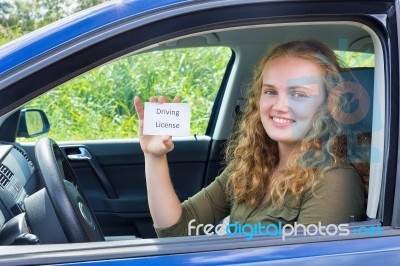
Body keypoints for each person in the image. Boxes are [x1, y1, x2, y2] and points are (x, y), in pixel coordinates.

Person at [134, 40, 367, 238]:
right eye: (271, 91)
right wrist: (154, 156)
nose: (280, 106)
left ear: (329, 104)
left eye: (298, 94)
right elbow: (181, 229)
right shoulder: (253, 163)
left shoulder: (335, 180)